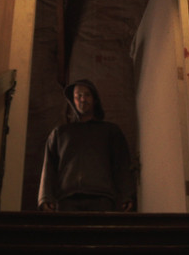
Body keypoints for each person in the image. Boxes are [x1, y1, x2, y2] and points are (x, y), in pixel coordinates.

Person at [38, 79, 135, 212]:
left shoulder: (110, 131)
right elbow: (49, 166)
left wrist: (126, 195)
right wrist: (45, 197)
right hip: (67, 199)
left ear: (95, 99)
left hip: (102, 197)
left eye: (87, 95)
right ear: (73, 100)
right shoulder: (60, 133)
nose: (83, 99)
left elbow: (122, 165)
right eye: (78, 96)